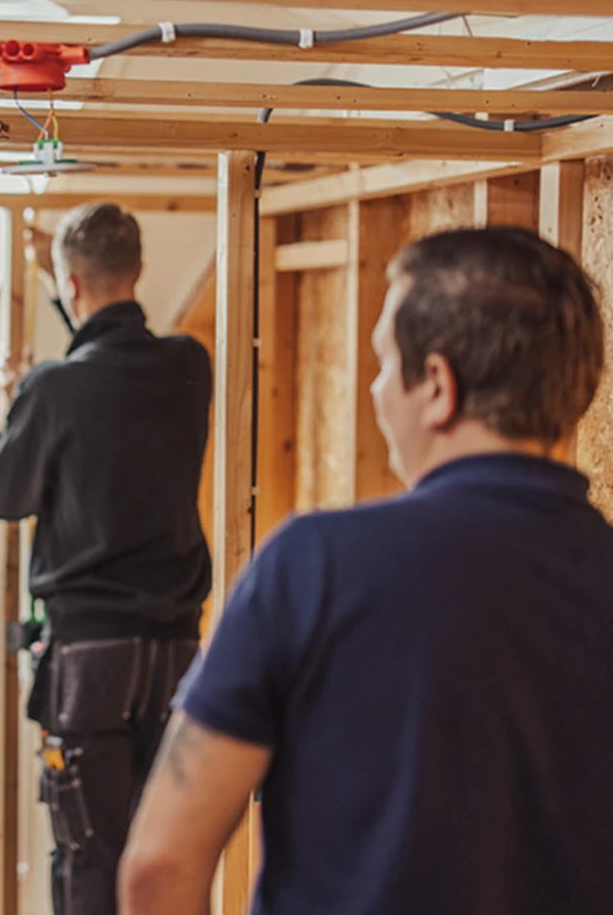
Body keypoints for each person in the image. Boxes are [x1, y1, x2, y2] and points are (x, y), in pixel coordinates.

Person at [119, 227, 612, 915]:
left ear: (438, 386)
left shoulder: (313, 567)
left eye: (383, 362)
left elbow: (157, 865)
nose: (377, 388)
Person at [0, 202, 213, 915]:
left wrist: (11, 399)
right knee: (164, 850)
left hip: (90, 664)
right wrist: (63, 276)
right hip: (176, 655)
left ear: (71, 285)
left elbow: (1, 495)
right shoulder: (189, 367)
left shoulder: (51, 389)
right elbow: (109, 360)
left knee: (89, 858)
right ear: (138, 270)